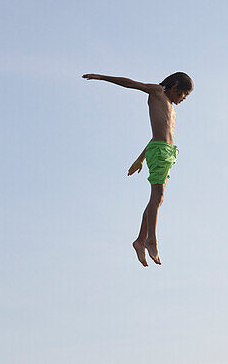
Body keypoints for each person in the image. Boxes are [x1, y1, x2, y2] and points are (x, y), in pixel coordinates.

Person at [82, 71, 194, 266]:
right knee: (157, 198)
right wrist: (102, 77)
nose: (183, 99)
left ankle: (140, 240)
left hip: (167, 153)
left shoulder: (173, 110)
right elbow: (130, 84)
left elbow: (155, 136)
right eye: (183, 94)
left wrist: (140, 159)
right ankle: (151, 240)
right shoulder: (158, 92)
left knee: (156, 200)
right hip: (160, 152)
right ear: (174, 86)